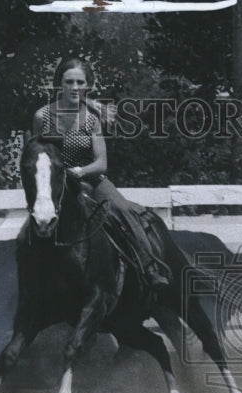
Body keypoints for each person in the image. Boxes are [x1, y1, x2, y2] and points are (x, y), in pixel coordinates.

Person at [31, 57, 170, 290]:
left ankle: (149, 268)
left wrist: (80, 170)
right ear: (59, 84)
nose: (75, 87)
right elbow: (35, 155)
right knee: (38, 220)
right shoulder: (41, 117)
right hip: (56, 185)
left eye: (80, 82)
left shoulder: (91, 119)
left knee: (125, 209)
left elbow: (102, 163)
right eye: (69, 82)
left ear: (87, 85)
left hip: (90, 180)